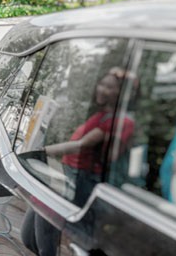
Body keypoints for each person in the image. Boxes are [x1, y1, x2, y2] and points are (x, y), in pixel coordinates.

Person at [44, 67, 136, 205]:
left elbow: (81, 145)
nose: (101, 89)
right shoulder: (103, 115)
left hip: (80, 177)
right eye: (102, 84)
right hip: (71, 172)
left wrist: (43, 151)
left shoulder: (119, 120)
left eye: (109, 87)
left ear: (121, 93)